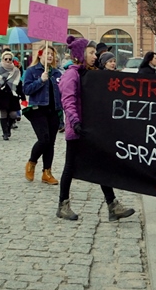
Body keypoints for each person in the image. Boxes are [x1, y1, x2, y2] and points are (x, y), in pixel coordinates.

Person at [56, 35, 135, 222]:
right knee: (70, 167)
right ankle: (63, 205)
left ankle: (112, 205)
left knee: (100, 165)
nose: (95, 56)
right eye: (91, 53)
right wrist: (75, 122)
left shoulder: (88, 73)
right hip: (77, 130)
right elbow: (68, 101)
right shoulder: (71, 75)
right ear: (79, 54)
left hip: (89, 129)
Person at [21, 47, 63, 185]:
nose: (50, 56)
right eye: (47, 54)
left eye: (52, 54)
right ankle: (32, 163)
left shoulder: (57, 73)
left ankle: (47, 172)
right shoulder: (32, 71)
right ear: (40, 56)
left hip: (54, 110)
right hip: (38, 109)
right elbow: (26, 89)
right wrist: (41, 80)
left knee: (51, 142)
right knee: (44, 139)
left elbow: (62, 92)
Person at [0, 50, 22, 141]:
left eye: (10, 59)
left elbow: (19, 83)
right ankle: (5, 133)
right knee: (3, 113)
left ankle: (8, 127)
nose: (8, 60)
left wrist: (21, 94)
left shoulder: (16, 70)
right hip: (2, 95)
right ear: (2, 59)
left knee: (13, 114)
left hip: (13, 95)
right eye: (6, 59)